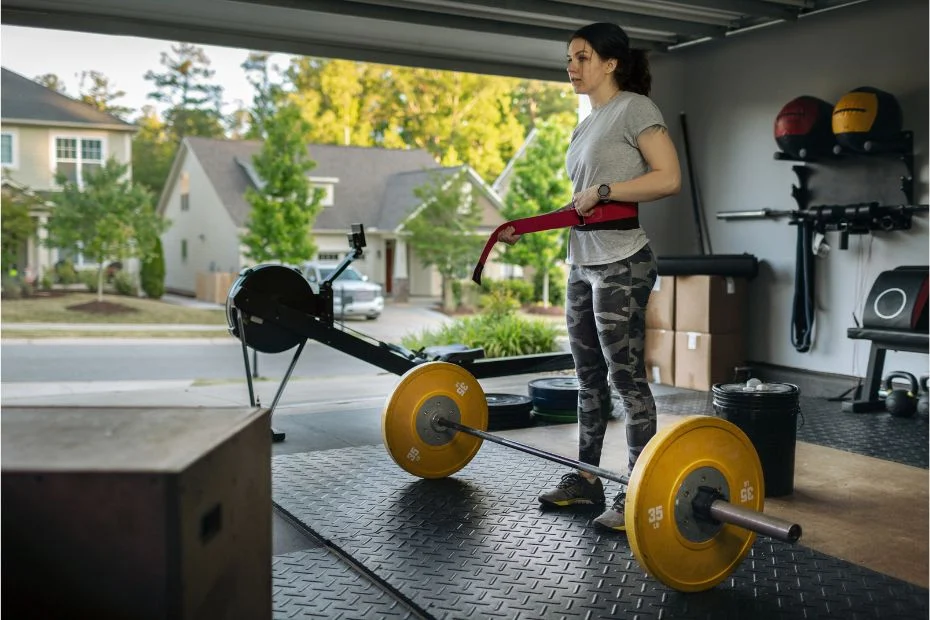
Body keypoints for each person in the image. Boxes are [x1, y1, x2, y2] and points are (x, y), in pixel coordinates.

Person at [499, 22, 682, 531]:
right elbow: (583, 202)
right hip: (582, 262)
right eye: (569, 59)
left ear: (610, 62)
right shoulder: (588, 123)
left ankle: (637, 490)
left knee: (626, 381)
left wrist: (604, 188)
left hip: (623, 260)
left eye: (581, 57)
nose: (571, 67)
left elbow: (668, 178)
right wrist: (528, 228)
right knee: (587, 380)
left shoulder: (636, 108)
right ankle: (585, 480)